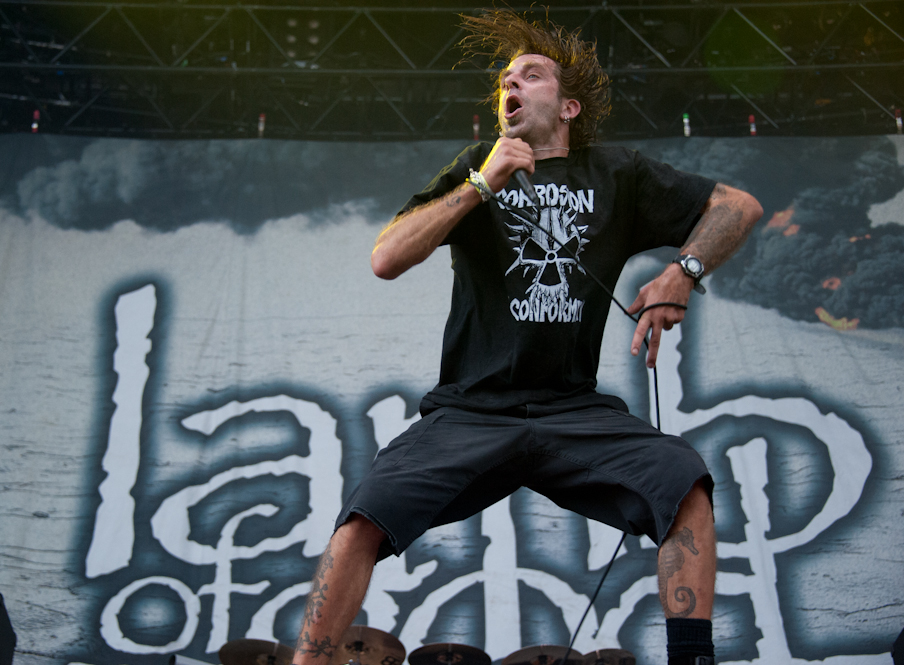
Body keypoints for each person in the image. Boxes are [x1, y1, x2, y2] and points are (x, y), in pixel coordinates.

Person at [293, 10, 763, 665]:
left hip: (572, 408)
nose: (510, 84)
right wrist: (482, 183)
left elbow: (737, 206)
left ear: (568, 105)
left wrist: (683, 273)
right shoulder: (474, 168)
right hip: (469, 408)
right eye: (504, 79)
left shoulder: (617, 174)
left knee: (684, 481)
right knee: (363, 518)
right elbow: (386, 257)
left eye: (530, 75)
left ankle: (692, 658)